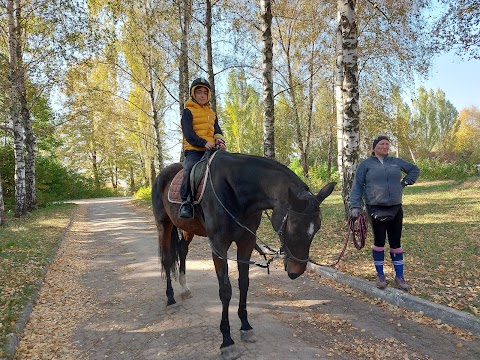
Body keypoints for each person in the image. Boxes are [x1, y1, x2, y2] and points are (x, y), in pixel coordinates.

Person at [349, 135, 420, 290]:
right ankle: (380, 275)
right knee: (379, 242)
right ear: (375, 147)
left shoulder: (395, 162)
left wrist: (404, 183)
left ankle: (399, 277)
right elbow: (357, 187)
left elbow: (414, 170)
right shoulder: (365, 165)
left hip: (395, 207)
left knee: (396, 243)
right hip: (375, 208)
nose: (385, 146)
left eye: (387, 144)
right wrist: (355, 207)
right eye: (382, 144)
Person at [179, 77, 226, 218]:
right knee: (190, 168)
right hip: (194, 150)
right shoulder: (188, 112)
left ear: (208, 95)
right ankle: (186, 202)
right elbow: (189, 134)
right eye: (199, 92)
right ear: (193, 93)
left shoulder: (212, 113)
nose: (202, 95)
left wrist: (220, 141)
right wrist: (203, 143)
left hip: (212, 150)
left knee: (228, 166)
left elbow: (217, 130)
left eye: (205, 93)